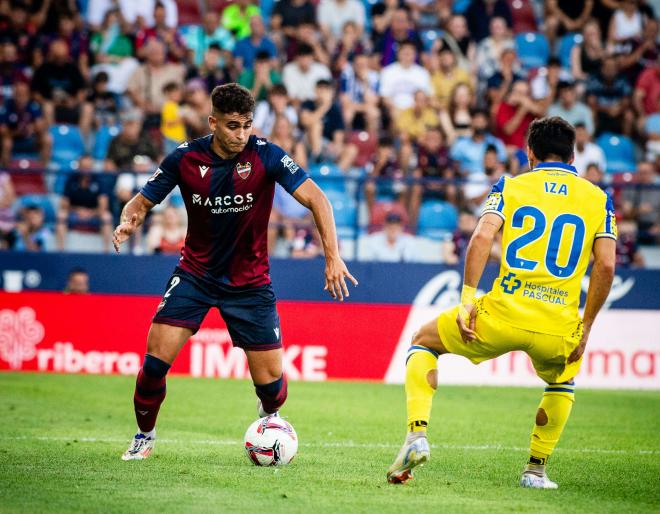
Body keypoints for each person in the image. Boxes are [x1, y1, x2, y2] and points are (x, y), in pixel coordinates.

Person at [113, 83, 358, 460]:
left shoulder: (266, 155)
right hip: (195, 275)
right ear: (213, 122)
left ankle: (267, 416)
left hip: (250, 283)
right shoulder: (184, 159)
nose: (241, 134)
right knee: (152, 365)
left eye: (246, 125)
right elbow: (141, 201)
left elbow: (318, 199)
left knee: (274, 392)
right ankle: (144, 437)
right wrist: (130, 220)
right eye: (232, 126)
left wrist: (332, 256)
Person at [386, 117, 617, 489]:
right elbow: (606, 263)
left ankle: (417, 435)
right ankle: (535, 470)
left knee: (423, 341)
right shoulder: (597, 197)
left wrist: (466, 301)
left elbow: (481, 236)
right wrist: (585, 326)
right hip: (557, 324)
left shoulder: (511, 185)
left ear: (529, 152)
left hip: (501, 314)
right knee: (562, 380)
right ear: (573, 155)